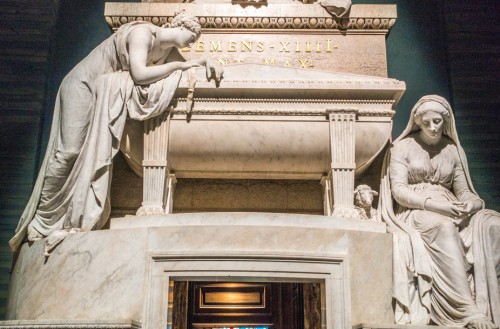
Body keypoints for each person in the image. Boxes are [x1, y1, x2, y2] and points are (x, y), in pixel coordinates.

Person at [9, 10, 223, 252]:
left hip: (102, 96)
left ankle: (61, 216)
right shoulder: (142, 34)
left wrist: (206, 62)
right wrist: (179, 66)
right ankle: (43, 218)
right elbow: (140, 75)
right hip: (82, 87)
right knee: (68, 152)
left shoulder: (167, 51)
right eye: (192, 37)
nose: (193, 42)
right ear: (181, 27)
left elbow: (189, 66)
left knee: (78, 155)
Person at [379, 95, 500, 328]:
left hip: (454, 208)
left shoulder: (452, 149)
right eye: (427, 123)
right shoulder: (402, 147)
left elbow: (464, 190)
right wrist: (437, 206)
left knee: (494, 226)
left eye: (437, 121)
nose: (433, 127)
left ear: (446, 120)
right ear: (417, 121)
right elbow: (399, 192)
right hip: (415, 211)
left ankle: (488, 305)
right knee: (442, 227)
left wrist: (471, 205)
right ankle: (465, 309)